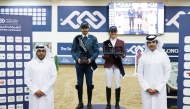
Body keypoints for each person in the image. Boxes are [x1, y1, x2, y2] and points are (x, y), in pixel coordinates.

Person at [137, 35, 171, 109]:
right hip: (146, 90)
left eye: (153, 42)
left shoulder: (163, 56)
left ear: (157, 43)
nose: (151, 44)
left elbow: (167, 73)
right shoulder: (143, 57)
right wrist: (146, 87)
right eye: (149, 42)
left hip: (160, 90)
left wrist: (158, 88)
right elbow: (139, 74)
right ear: (147, 44)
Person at [71, 22, 99, 109]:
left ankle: (89, 103)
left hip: (89, 65)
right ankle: (80, 102)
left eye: (86, 27)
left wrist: (91, 59)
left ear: (88, 28)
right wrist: (77, 59)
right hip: (79, 65)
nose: (84, 29)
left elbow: (96, 51)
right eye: (83, 27)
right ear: (80, 28)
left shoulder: (93, 39)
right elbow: (73, 51)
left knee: (89, 84)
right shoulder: (76, 38)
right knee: (79, 84)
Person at [24, 45, 57, 109]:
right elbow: (27, 79)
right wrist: (35, 90)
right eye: (39, 51)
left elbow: (53, 78)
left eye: (43, 51)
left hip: (47, 94)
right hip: (34, 94)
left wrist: (44, 90)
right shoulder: (29, 64)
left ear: (46, 52)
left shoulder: (51, 64)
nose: (41, 53)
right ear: (36, 52)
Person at [102, 26, 126, 109]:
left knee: (117, 84)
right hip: (108, 64)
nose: (113, 33)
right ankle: (108, 103)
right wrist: (104, 56)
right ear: (109, 32)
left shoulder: (121, 42)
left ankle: (117, 103)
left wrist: (123, 55)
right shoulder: (105, 42)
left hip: (117, 65)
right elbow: (104, 55)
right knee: (108, 84)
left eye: (114, 31)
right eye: (111, 32)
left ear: (116, 32)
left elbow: (124, 54)